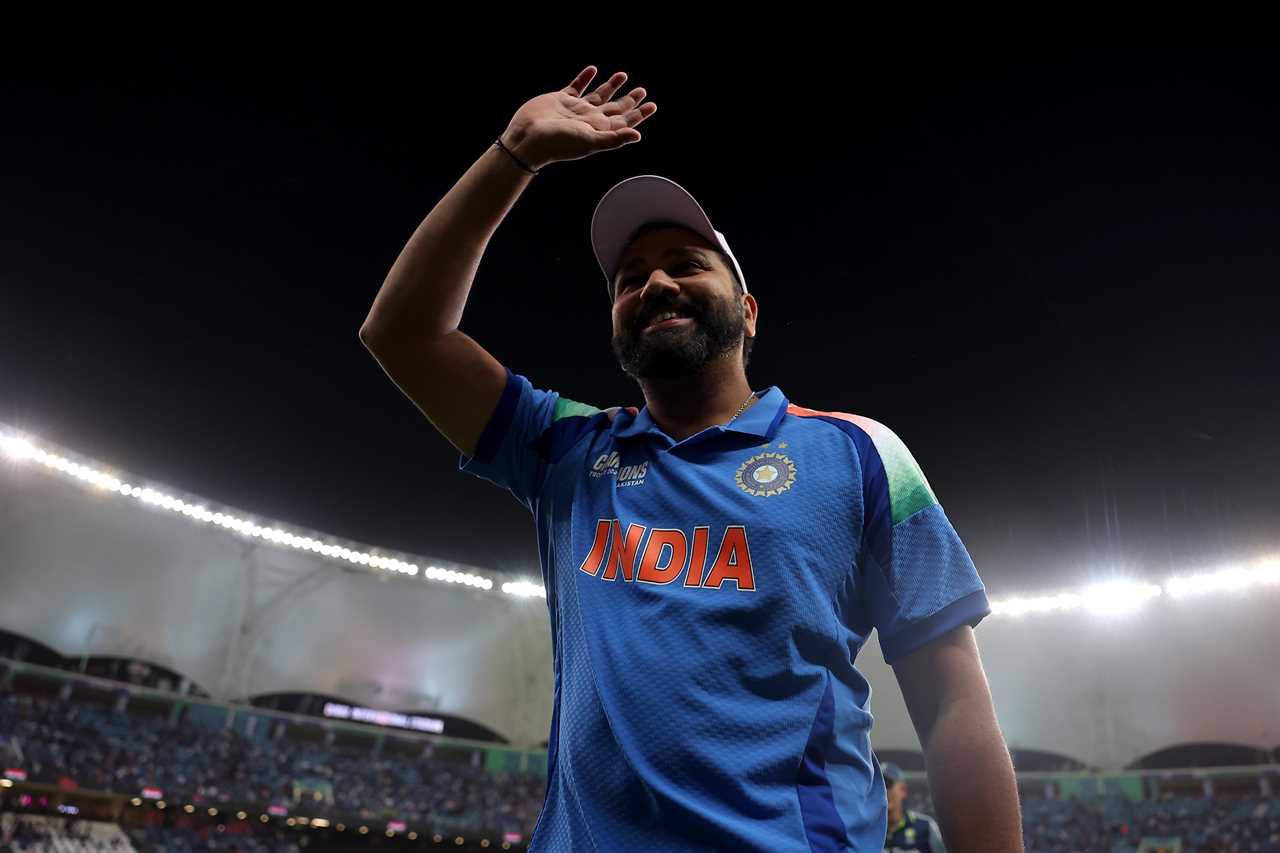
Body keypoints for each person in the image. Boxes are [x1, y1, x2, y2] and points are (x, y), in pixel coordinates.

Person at [360, 65, 1023, 852]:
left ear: (746, 310)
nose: (655, 283)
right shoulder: (569, 450)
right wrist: (513, 156)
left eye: (685, 262)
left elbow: (951, 702)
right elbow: (402, 334)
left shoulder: (859, 454)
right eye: (629, 279)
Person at [881, 762, 945, 852]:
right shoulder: (868, 831)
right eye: (878, 786)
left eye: (887, 785)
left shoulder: (925, 827)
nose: (883, 791)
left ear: (903, 790)